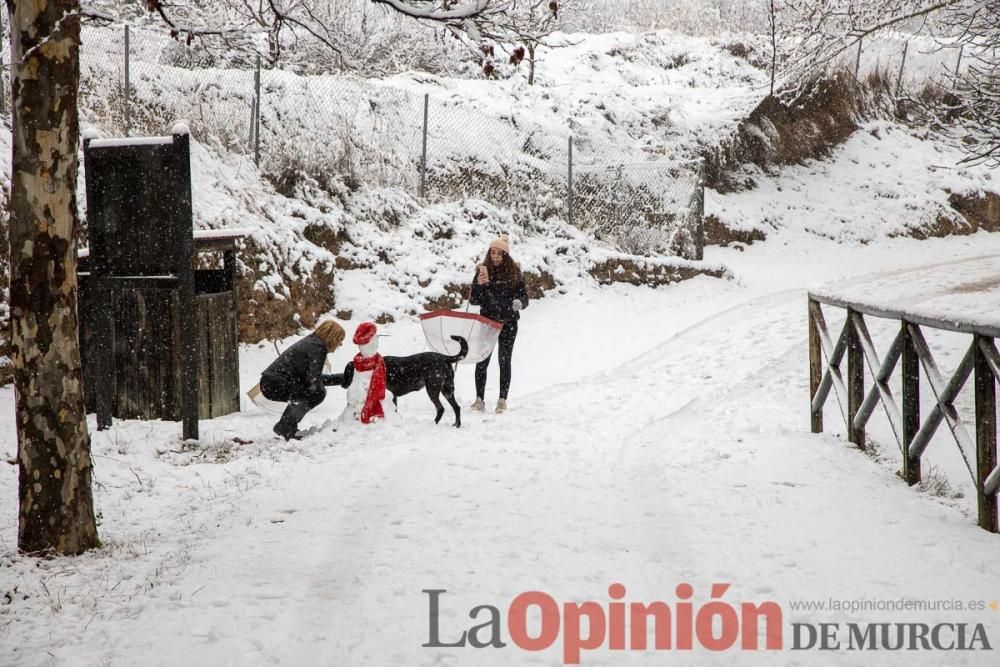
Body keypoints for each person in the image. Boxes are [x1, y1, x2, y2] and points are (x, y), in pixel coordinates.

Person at [469, 235, 528, 414]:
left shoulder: (515, 273)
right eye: (492, 253)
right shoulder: (482, 271)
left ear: (505, 255)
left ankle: (502, 399)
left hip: (508, 322)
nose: (495, 256)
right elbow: (473, 300)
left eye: (499, 253)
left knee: (504, 360)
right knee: (482, 360)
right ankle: (479, 399)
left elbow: (524, 297)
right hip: (487, 321)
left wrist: (519, 303)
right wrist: (479, 286)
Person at [260, 319, 346, 440]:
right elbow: (314, 380)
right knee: (316, 392)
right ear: (332, 337)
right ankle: (286, 426)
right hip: (275, 383)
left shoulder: (314, 343)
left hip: (271, 382)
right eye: (340, 339)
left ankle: (287, 426)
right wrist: (342, 379)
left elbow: (311, 378)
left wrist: (341, 379)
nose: (340, 344)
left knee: (311, 391)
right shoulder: (318, 347)